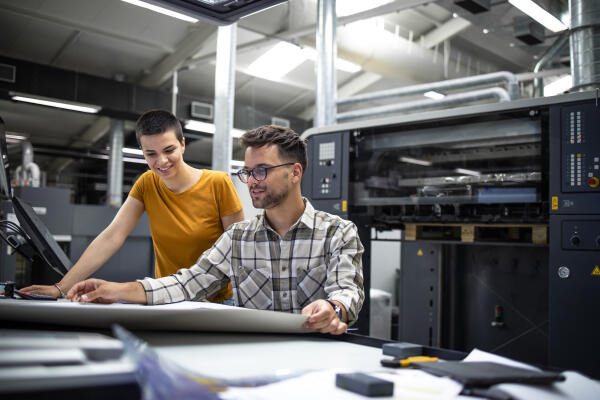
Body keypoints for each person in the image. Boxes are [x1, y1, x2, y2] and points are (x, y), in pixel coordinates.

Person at [67, 125, 364, 335]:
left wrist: (333, 308)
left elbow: (348, 291)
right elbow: (187, 284)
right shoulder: (237, 238)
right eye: (247, 172)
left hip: (318, 357)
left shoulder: (338, 233)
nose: (251, 181)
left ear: (295, 172)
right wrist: (115, 290)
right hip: (255, 359)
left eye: (261, 170)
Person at [23, 110, 244, 304]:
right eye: (151, 154)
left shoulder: (218, 183)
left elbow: (238, 253)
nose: (162, 161)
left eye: (169, 150)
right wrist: (60, 288)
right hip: (167, 299)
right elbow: (112, 236)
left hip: (216, 302)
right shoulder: (147, 183)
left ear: (183, 144)